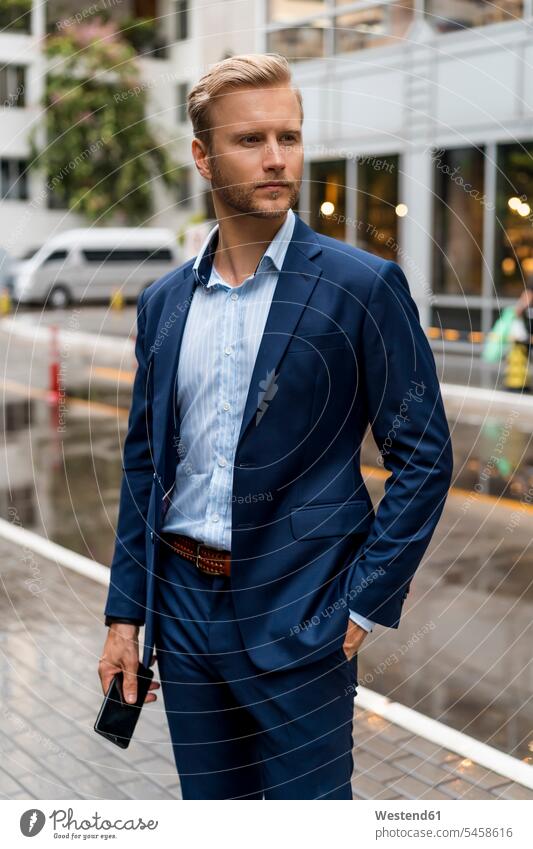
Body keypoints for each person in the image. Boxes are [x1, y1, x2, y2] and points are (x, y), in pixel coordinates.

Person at [98, 53, 454, 799]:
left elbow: (423, 457)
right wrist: (125, 615)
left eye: (288, 138)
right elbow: (144, 466)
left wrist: (360, 602)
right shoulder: (164, 303)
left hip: (304, 609)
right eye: (250, 140)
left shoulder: (361, 286)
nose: (275, 159)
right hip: (185, 617)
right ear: (202, 156)